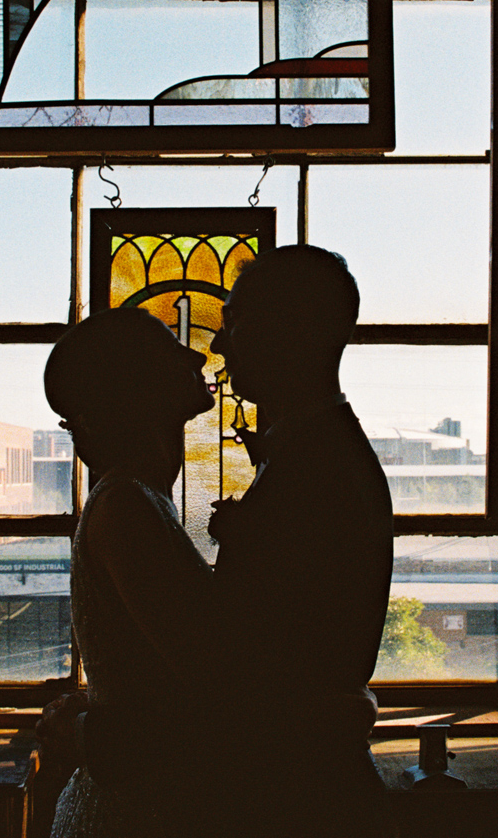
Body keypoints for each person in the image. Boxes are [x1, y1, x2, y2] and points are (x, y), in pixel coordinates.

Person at [205, 244, 394, 838]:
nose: (219, 344)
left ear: (296, 332)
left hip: (298, 797)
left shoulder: (319, 467)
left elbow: (264, 660)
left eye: (236, 323)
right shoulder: (314, 450)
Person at [40, 306, 224, 838]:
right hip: (132, 814)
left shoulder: (141, 498)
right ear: (137, 387)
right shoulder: (127, 507)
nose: (197, 355)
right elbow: (211, 682)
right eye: (173, 350)